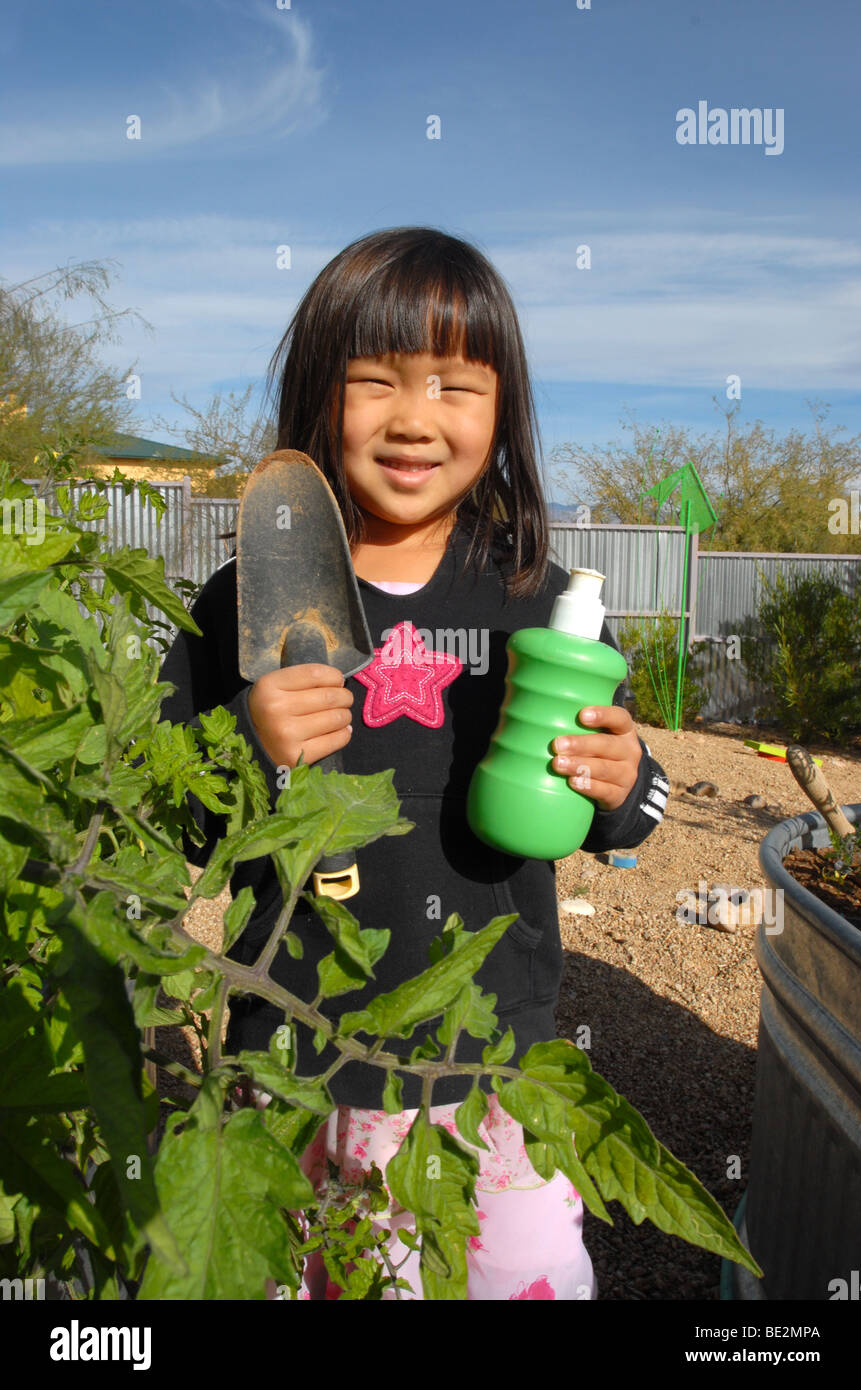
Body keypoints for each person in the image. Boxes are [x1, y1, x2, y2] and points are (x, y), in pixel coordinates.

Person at [158, 226, 671, 1301]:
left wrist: (623, 788)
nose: (413, 417)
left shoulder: (535, 596)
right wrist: (242, 744)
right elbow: (173, 829)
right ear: (318, 396)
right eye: (374, 380)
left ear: (504, 406)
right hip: (296, 1059)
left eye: (454, 384)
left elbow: (632, 813)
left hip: (492, 1064)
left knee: (516, 1273)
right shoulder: (247, 597)